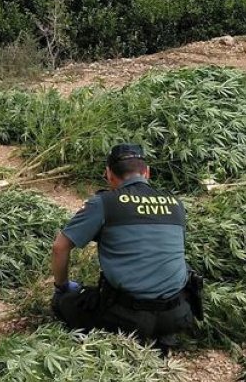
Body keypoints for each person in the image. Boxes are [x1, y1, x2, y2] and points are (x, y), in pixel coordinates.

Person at [50, 143, 197, 352]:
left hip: (127, 319)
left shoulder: (104, 203)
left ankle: (107, 341)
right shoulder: (176, 204)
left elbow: (60, 247)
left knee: (65, 302)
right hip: (177, 314)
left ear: (108, 174)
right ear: (147, 172)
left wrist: (62, 287)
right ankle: (162, 336)